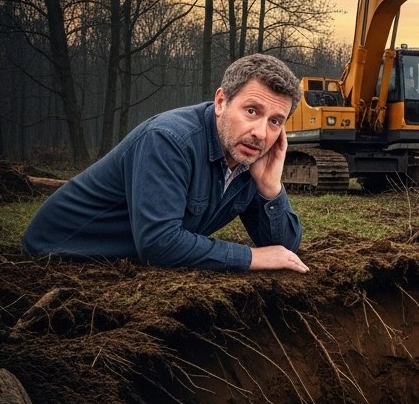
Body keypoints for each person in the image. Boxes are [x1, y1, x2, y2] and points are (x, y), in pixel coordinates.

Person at [22, 54, 309, 273]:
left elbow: (284, 249)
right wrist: (249, 257)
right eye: (251, 111)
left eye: (274, 121)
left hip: (118, 262)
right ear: (221, 102)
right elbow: (158, 243)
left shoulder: (249, 157)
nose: (261, 133)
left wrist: (270, 189)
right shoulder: (169, 140)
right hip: (58, 254)